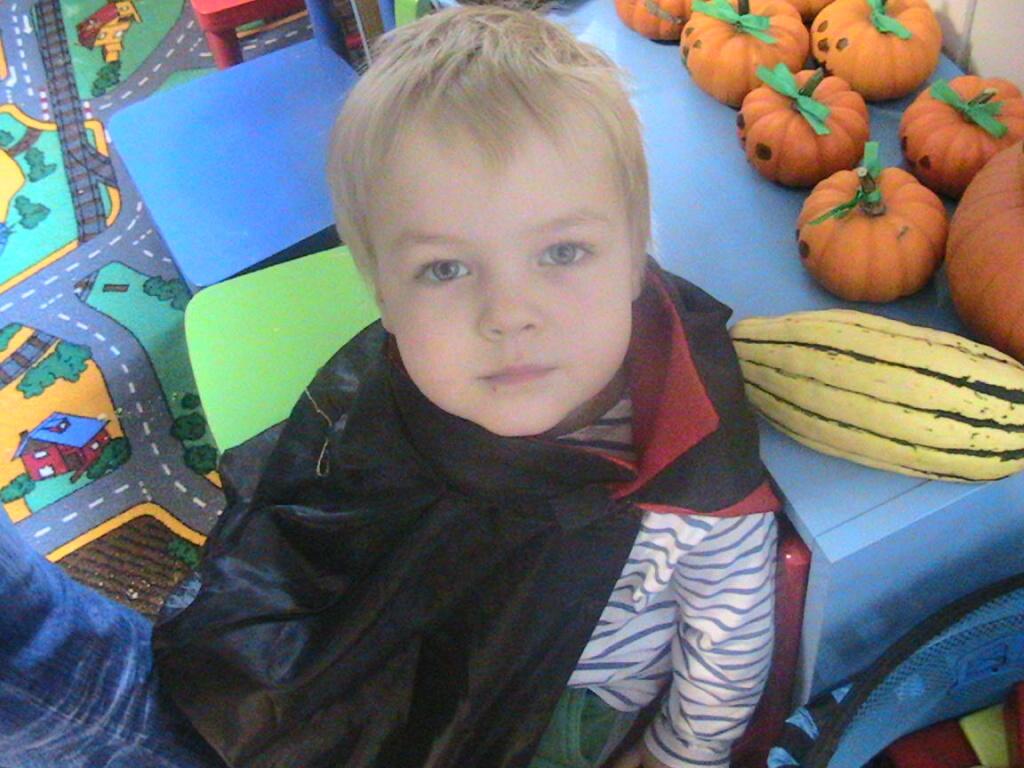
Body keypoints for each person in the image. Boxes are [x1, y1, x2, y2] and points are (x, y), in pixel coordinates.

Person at [0, 5, 781, 768]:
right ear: (382, 293)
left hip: (566, 706)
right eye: (446, 268)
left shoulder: (692, 461)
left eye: (563, 252)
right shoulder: (390, 401)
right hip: (414, 653)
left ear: (636, 250)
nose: (509, 313)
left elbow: (728, 629)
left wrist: (682, 751)